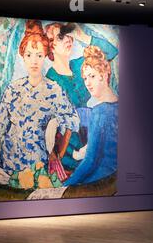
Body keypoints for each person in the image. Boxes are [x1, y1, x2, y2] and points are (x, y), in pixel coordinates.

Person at [0, 20, 79, 185]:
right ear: (23, 56)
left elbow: (73, 119)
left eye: (39, 55)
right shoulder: (13, 89)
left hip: (40, 168)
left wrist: (56, 124)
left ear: (45, 56)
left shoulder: (54, 89)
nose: (34, 61)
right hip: (10, 169)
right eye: (29, 55)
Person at [45, 22, 118, 172]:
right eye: (60, 37)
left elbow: (111, 52)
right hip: (70, 151)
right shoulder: (50, 80)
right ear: (50, 46)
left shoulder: (80, 65)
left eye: (68, 35)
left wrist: (82, 36)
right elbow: (51, 128)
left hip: (93, 135)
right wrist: (73, 152)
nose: (68, 40)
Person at [64, 46, 118, 186]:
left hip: (99, 180)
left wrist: (63, 188)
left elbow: (90, 161)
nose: (87, 83)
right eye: (85, 78)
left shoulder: (100, 112)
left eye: (92, 76)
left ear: (104, 74)